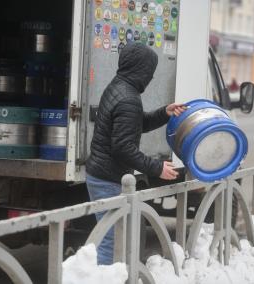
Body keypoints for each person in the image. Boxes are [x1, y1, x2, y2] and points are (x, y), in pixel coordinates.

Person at [85, 42, 185, 265]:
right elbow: (122, 147)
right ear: (142, 70)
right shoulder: (128, 97)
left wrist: (164, 113)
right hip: (108, 179)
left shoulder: (118, 87)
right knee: (111, 244)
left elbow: (135, 124)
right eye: (150, 71)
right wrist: (156, 167)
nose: (150, 78)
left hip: (101, 175)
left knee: (117, 239)